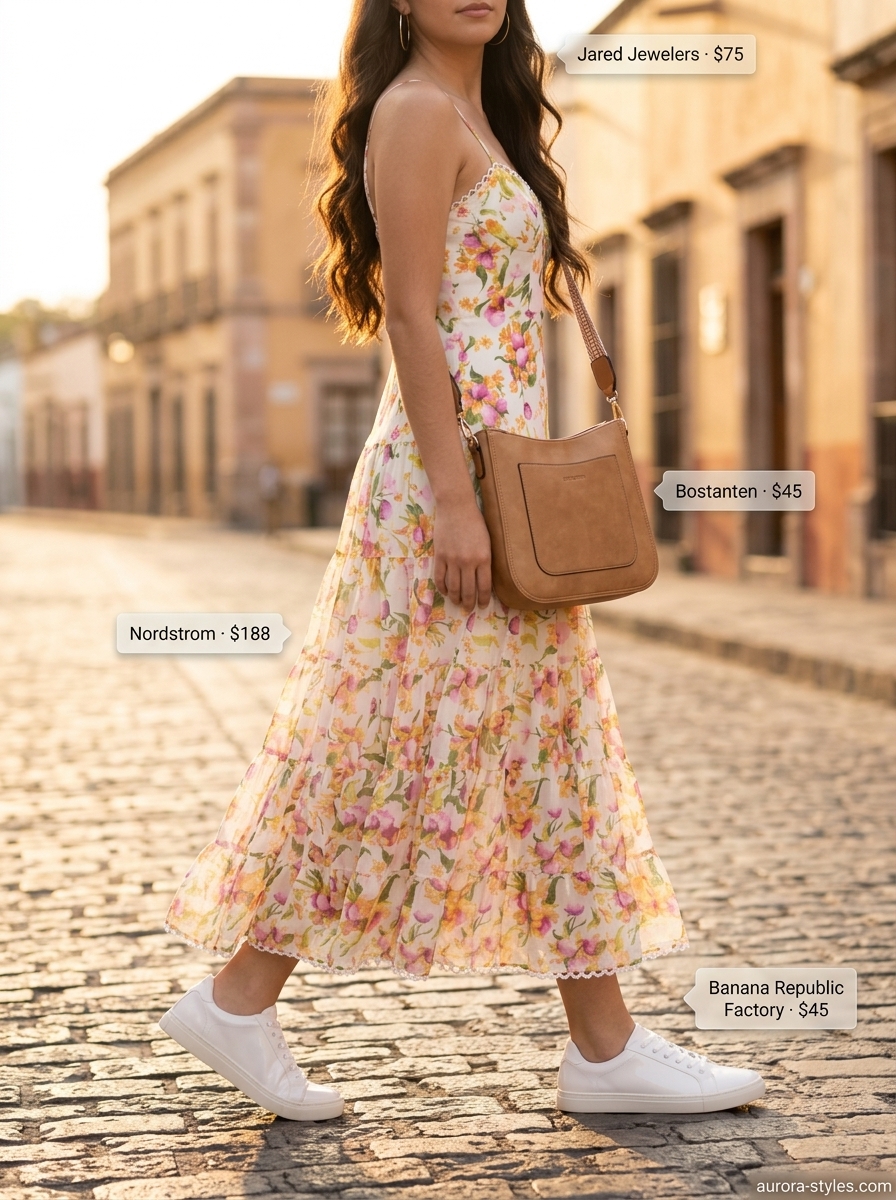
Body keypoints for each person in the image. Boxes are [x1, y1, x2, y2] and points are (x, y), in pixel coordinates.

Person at [159, 0, 765, 1121]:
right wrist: (451, 501)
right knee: (385, 739)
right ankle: (241, 998)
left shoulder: (485, 115)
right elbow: (410, 319)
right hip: (448, 489)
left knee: (541, 742)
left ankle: (601, 1042)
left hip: (506, 481)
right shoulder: (414, 111)